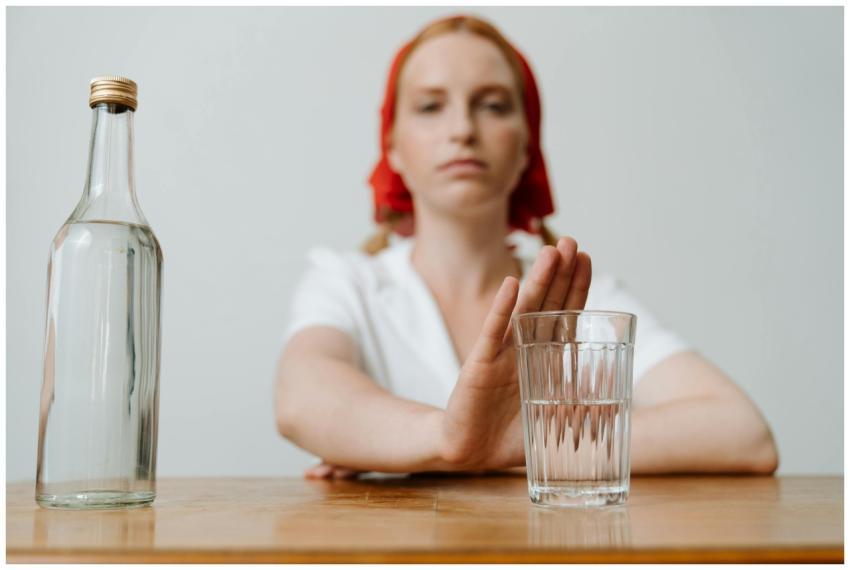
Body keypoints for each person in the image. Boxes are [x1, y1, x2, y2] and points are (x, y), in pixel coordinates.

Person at [274, 14, 779, 479]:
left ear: (526, 147)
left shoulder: (585, 298)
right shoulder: (348, 281)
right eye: (430, 107)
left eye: (492, 105)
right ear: (393, 148)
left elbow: (742, 432)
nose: (463, 130)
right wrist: (450, 440)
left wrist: (507, 444)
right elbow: (303, 396)